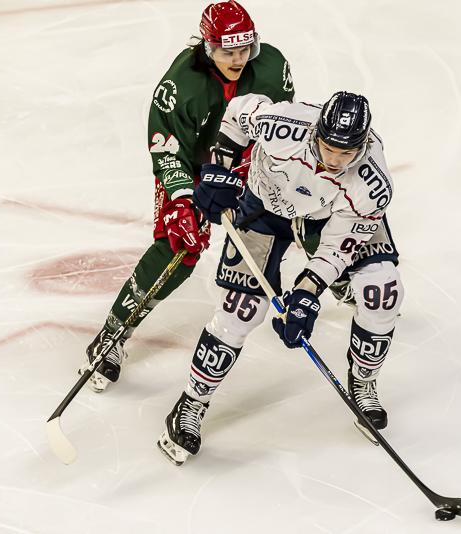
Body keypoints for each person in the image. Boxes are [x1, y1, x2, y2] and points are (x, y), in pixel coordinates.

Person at [157, 91, 404, 466]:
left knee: (382, 290)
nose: (334, 160)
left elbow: (337, 248)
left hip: (329, 221)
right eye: (328, 148)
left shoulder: (373, 184)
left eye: (346, 153)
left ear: (364, 145)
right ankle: (192, 401)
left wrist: (306, 293)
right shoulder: (283, 124)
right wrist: (220, 171)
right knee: (240, 310)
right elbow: (237, 112)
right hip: (264, 208)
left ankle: (364, 379)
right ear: (316, 132)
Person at [81, 1, 295, 392]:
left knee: (306, 205)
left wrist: (252, 173)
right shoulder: (180, 85)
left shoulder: (272, 68)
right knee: (178, 246)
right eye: (228, 51)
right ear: (208, 47)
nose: (238, 59)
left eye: (244, 49)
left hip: (248, 165)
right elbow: (167, 149)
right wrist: (182, 199)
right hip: (195, 171)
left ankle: (338, 278)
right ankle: (113, 333)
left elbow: (281, 130)